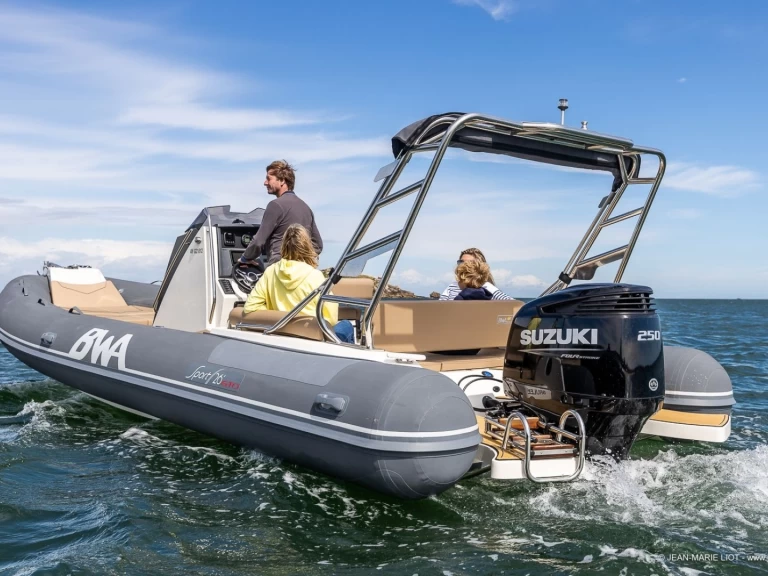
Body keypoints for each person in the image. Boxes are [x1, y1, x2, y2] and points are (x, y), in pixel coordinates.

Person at [243, 224, 355, 344]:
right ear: (307, 246)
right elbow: (331, 317)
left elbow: (250, 307)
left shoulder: (270, 272)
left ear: (283, 246)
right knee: (346, 325)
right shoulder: (315, 276)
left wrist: (275, 313)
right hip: (312, 340)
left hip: (280, 334)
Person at [239, 160, 323, 267]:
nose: (265, 183)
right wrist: (300, 259)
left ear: (282, 180)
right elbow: (318, 245)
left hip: (279, 269)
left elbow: (258, 241)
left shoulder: (275, 205)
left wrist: (245, 258)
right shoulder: (306, 208)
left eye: (268, 179)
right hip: (302, 271)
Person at [439, 247, 513, 301]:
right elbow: (439, 308)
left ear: (479, 266)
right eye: (461, 262)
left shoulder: (487, 287)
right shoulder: (452, 287)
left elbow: (512, 304)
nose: (463, 266)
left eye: (469, 263)